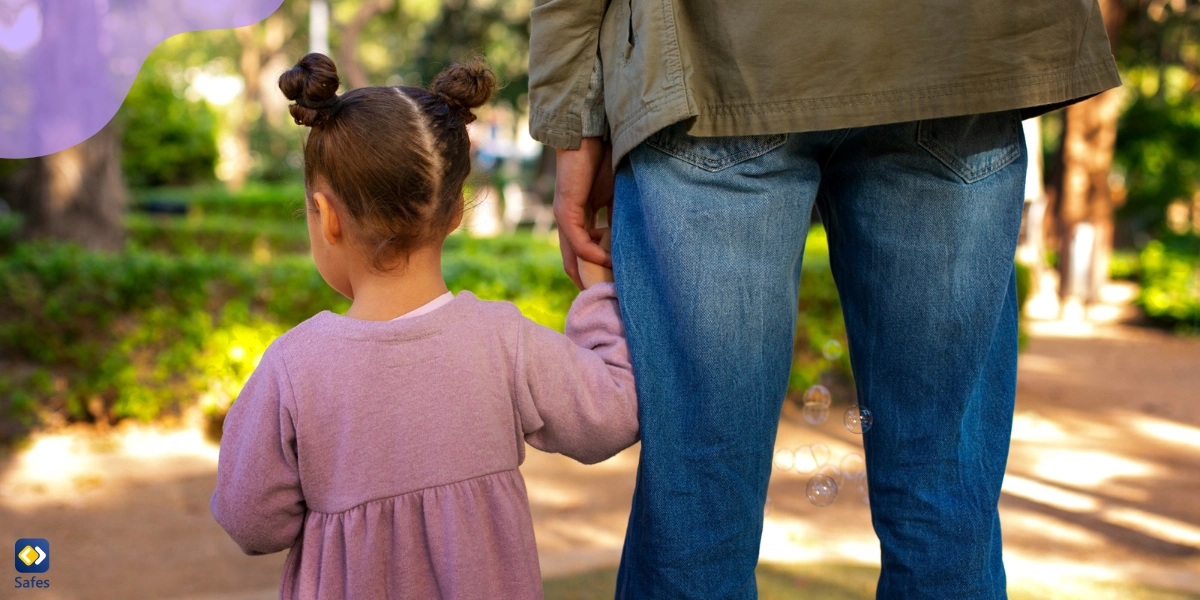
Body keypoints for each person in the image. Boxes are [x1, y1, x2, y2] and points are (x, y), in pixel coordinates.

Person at [528, 2, 1122, 598]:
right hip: (962, 55)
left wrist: (574, 126)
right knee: (944, 498)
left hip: (718, 60)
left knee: (699, 501)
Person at [210, 53, 638, 599]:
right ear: (455, 210)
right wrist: (600, 292)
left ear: (327, 215)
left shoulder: (294, 366)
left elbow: (250, 520)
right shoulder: (502, 340)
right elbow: (611, 416)